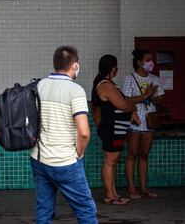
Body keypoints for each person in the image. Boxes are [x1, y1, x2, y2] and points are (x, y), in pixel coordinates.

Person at [30, 46, 97, 224]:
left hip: (39, 159)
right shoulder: (75, 91)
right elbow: (83, 132)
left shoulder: (40, 85)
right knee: (85, 210)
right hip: (66, 162)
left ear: (55, 63)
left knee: (44, 211)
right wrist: (79, 153)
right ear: (74, 65)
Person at [91, 55, 150, 205]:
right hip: (112, 129)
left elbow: (124, 101)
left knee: (113, 161)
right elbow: (123, 105)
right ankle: (110, 195)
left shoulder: (109, 83)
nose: (117, 70)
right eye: (116, 67)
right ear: (112, 68)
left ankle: (114, 193)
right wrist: (132, 108)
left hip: (115, 129)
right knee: (110, 161)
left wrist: (134, 104)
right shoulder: (105, 85)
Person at [123, 49, 164, 199]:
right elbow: (126, 99)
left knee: (144, 155)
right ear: (140, 62)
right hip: (136, 121)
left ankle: (144, 188)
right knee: (132, 154)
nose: (151, 63)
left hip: (149, 121)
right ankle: (131, 188)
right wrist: (145, 95)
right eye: (148, 60)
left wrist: (153, 97)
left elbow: (160, 100)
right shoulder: (130, 78)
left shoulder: (155, 78)